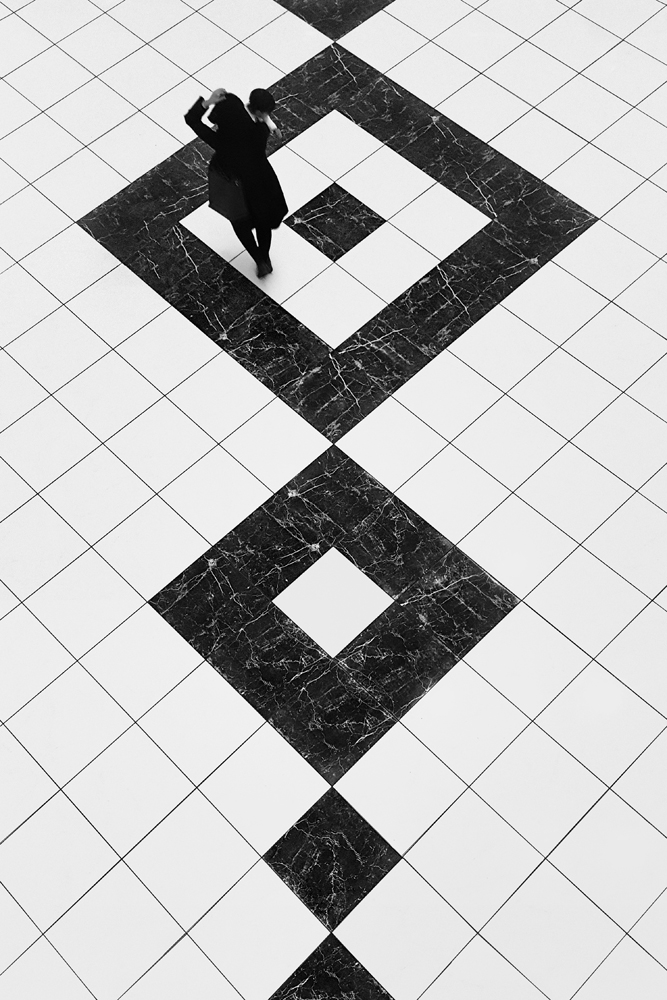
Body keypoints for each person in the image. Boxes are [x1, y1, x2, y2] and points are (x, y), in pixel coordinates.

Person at [184, 87, 288, 278]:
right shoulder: (259, 133)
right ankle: (265, 257)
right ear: (260, 112)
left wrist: (209, 101)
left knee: (239, 221)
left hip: (231, 181)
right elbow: (261, 120)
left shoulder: (221, 138)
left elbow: (191, 120)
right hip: (259, 179)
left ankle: (259, 260)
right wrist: (269, 123)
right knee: (263, 219)